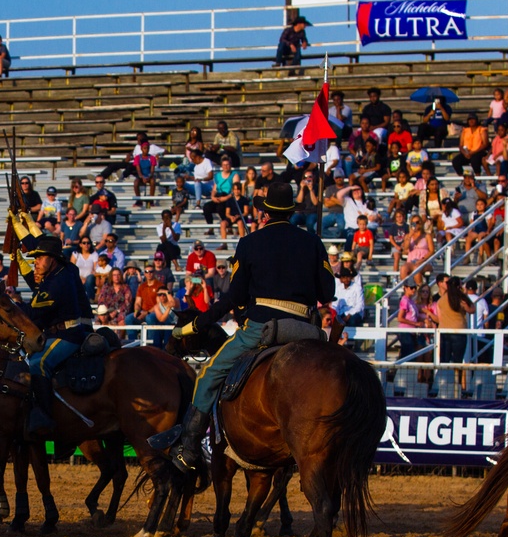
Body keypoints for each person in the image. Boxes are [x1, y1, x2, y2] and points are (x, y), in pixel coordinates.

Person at [152, 182, 335, 472]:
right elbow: (327, 293)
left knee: (209, 374)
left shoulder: (250, 243)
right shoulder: (312, 241)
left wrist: (201, 320)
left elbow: (234, 297)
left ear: (264, 214)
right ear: (290, 212)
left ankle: (188, 448)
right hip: (306, 331)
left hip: (263, 328)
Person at [8, 213, 92, 437]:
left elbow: (32, 312)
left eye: (39, 259)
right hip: (59, 333)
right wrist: (21, 230)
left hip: (69, 335)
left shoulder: (56, 282)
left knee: (37, 364)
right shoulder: (59, 272)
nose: (35, 262)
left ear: (52, 259)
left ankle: (43, 416)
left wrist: (7, 306)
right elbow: (37, 265)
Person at [431, 274, 474, 395]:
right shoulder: (460, 298)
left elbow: (439, 318)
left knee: (444, 362)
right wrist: (464, 294)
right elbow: (472, 309)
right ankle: (457, 388)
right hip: (459, 332)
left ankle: (442, 387)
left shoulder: (441, 300)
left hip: (444, 333)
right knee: (457, 362)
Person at [387, 283, 423, 387]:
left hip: (410, 332)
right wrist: (416, 324)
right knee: (408, 356)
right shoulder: (405, 300)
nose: (413, 290)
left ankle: (395, 377)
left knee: (406, 355)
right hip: (405, 331)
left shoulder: (411, 301)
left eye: (415, 288)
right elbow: (400, 318)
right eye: (411, 287)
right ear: (405, 288)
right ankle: (398, 380)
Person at [123, 263, 162, 343]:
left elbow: (159, 304)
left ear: (154, 272)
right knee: (128, 318)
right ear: (144, 273)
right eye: (146, 271)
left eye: (151, 271)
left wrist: (147, 313)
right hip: (143, 311)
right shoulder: (142, 286)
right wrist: (137, 311)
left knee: (149, 318)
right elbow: (137, 302)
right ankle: (133, 342)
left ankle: (150, 343)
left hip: (155, 313)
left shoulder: (159, 285)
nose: (149, 273)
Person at [400, 214, 435, 287]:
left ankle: (419, 290)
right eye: (413, 223)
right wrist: (410, 235)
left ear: (421, 223)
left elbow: (432, 251)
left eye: (417, 222)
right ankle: (406, 289)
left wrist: (422, 260)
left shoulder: (427, 235)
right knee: (403, 268)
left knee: (417, 268)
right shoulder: (408, 236)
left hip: (424, 261)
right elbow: (406, 248)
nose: (415, 225)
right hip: (412, 261)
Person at [96, 268, 133, 334]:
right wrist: (108, 312)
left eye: (118, 275)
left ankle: (119, 341)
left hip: (120, 312)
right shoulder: (106, 287)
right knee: (101, 317)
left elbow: (127, 304)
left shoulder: (125, 288)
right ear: (111, 276)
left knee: (122, 320)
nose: (117, 277)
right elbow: (101, 301)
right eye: (114, 275)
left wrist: (117, 311)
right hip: (107, 311)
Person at [70, 235, 99, 300]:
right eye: (84, 243)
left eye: (88, 243)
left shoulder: (94, 254)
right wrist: (80, 278)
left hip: (90, 277)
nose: (86, 244)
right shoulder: (76, 254)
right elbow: (71, 268)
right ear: (80, 244)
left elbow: (96, 268)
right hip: (78, 276)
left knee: (89, 279)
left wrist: (86, 278)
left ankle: (90, 298)